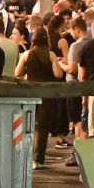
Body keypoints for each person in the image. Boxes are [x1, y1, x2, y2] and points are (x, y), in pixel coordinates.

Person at [16, 29, 66, 169]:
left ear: (34, 39)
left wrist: (28, 70)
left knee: (28, 126)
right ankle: (38, 160)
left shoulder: (27, 54)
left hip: (30, 94)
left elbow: (17, 73)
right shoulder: (51, 55)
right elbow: (58, 74)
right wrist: (58, 64)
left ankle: (24, 157)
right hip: (46, 95)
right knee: (42, 129)